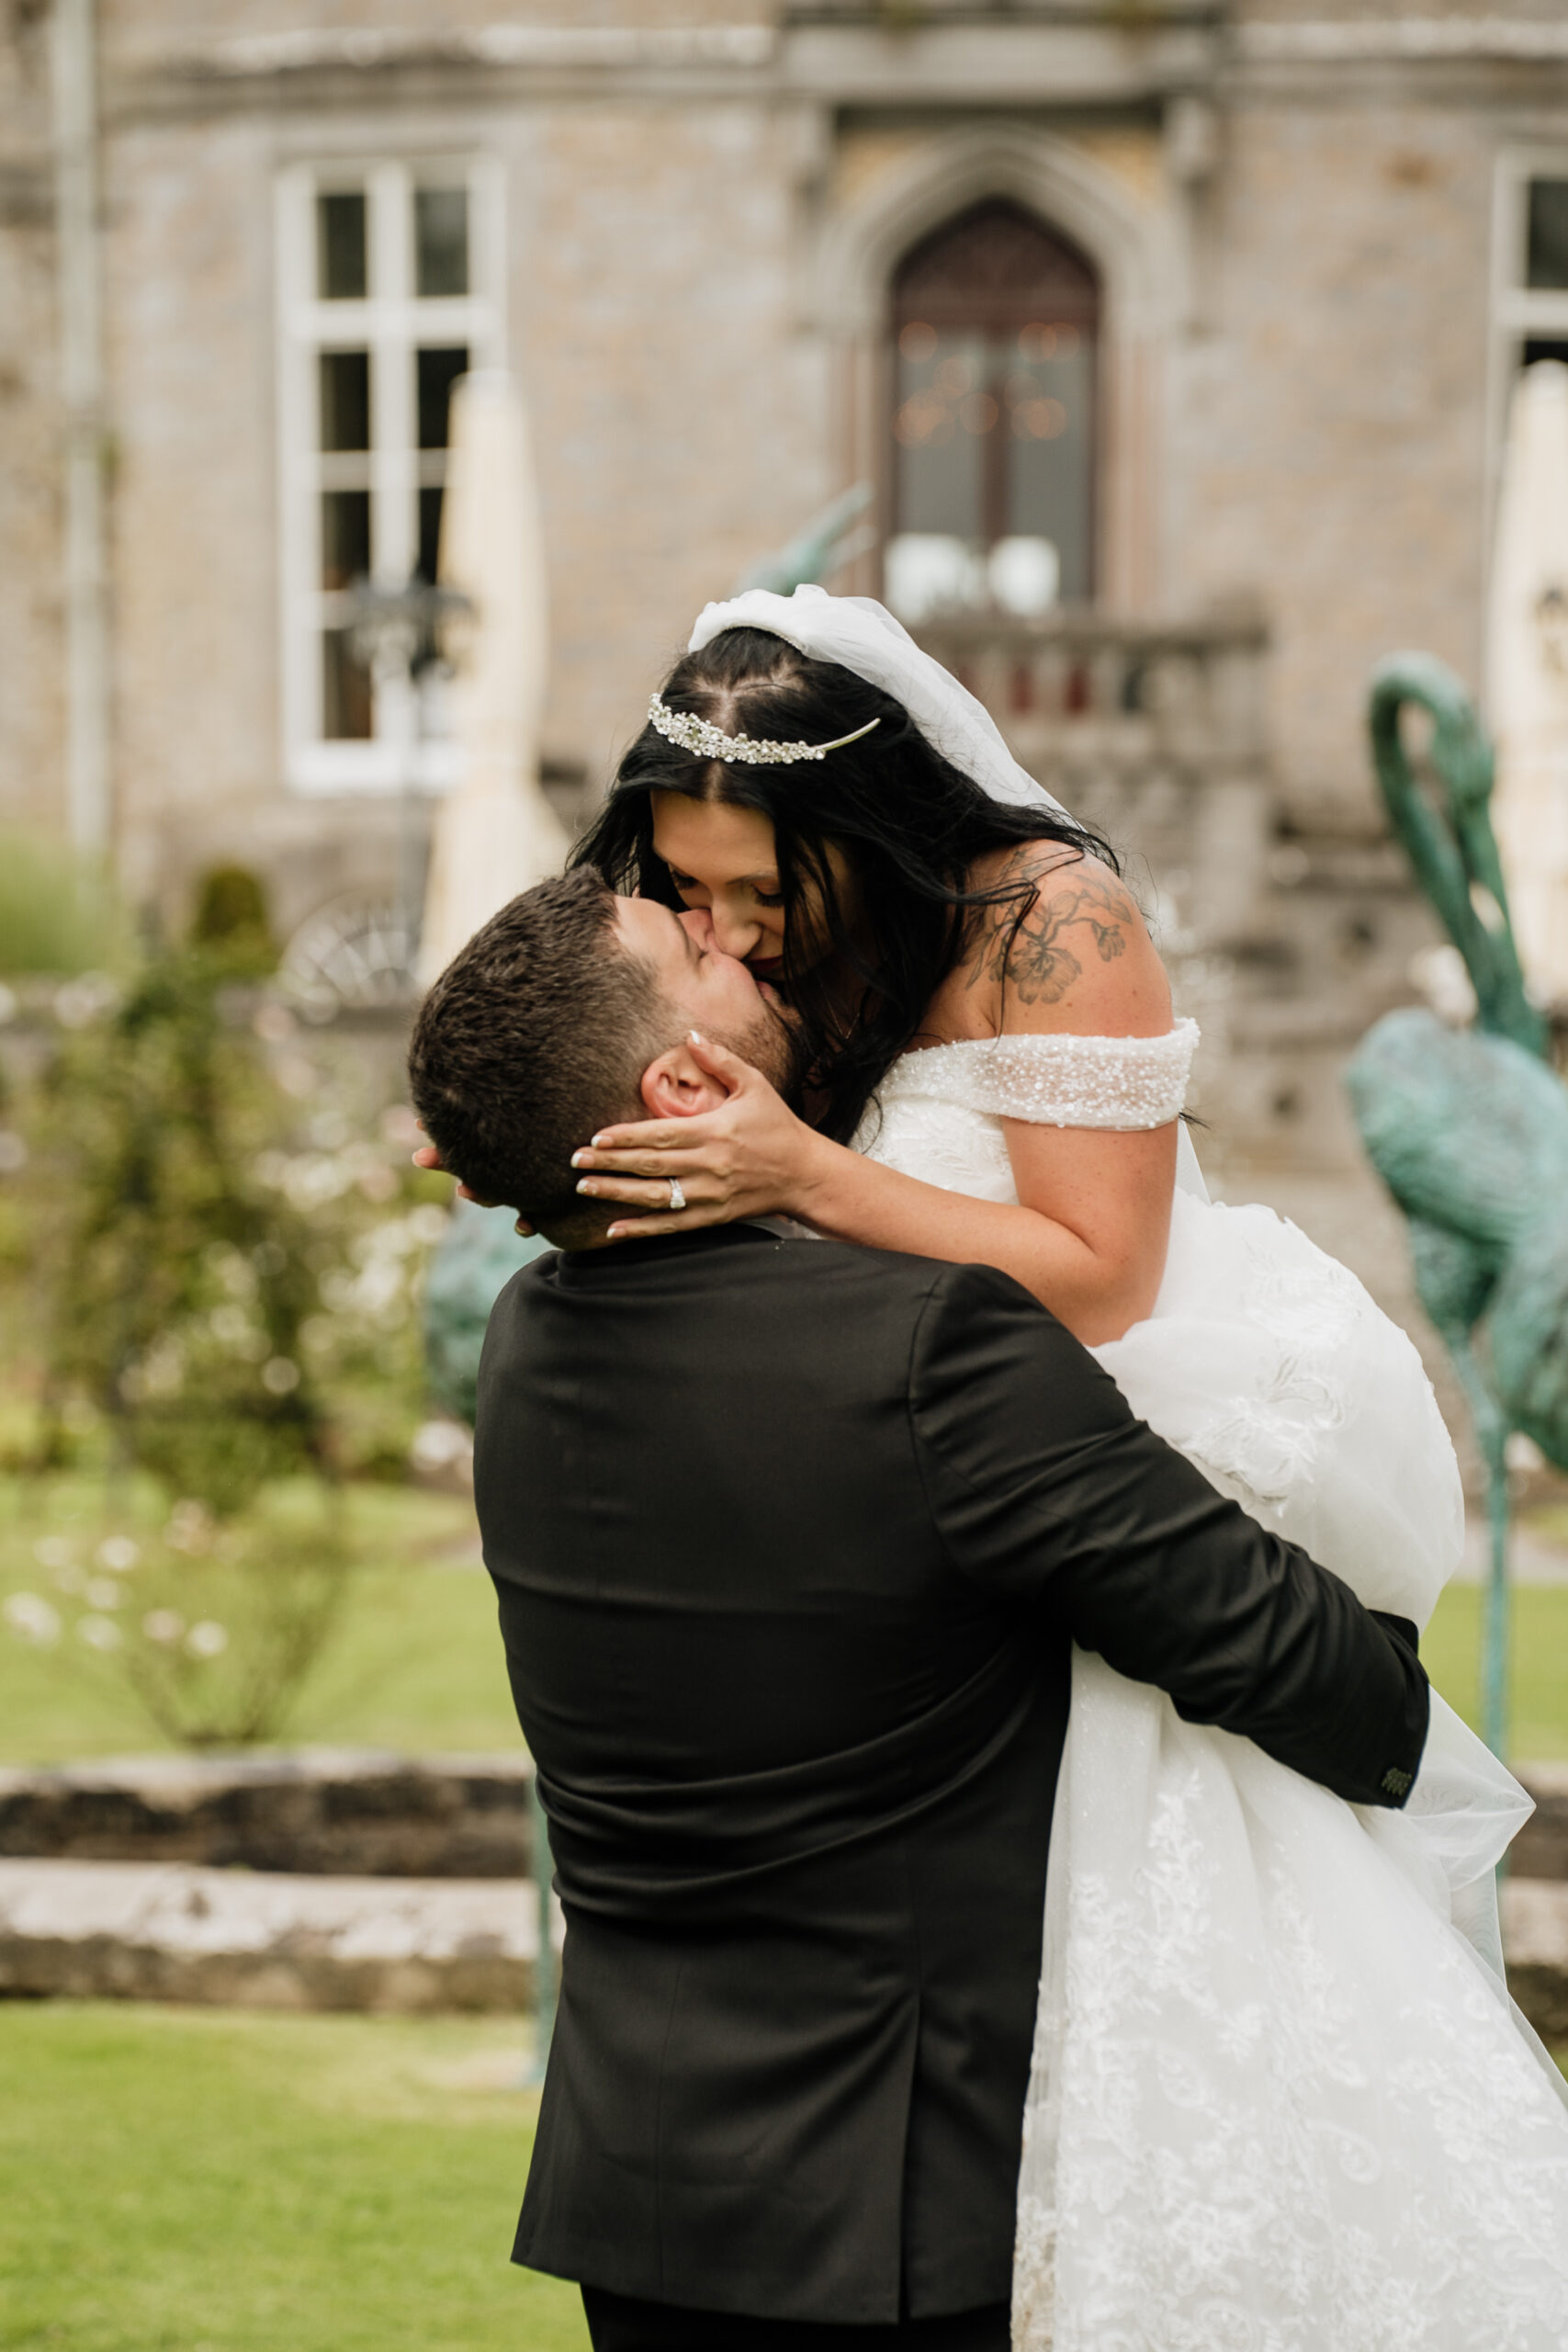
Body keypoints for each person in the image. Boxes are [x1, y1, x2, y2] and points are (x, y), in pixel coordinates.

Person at [547, 590, 1568, 2341]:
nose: (713, 926)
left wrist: (804, 1173)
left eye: (747, 889)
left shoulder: (1049, 918)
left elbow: (1107, 1276)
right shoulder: (746, 939)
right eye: (678, 882)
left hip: (1094, 1422)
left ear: (859, 837)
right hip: (909, 1486)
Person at [405, 865, 1434, 2350]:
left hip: (636, 2205)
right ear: (686, 1082)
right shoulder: (928, 1349)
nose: (726, 932)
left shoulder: (524, 1349)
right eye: (684, 943)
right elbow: (1302, 1668)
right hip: (906, 2218)